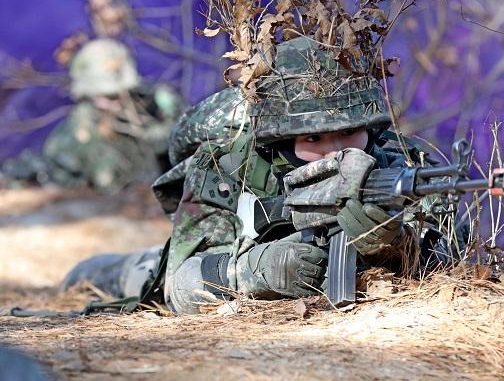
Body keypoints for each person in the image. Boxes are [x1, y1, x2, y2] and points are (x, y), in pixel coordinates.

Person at [63, 37, 466, 314]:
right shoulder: (230, 167)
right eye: (313, 137)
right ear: (280, 139)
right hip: (204, 259)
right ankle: (91, 269)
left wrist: (395, 243)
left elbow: (456, 259)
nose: (336, 151)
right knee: (122, 274)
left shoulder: (400, 166)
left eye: (348, 133)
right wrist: (254, 269)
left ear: (371, 128)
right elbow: (178, 288)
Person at [1, 38, 182, 192]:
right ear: (88, 96)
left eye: (120, 94)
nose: (114, 103)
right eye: (105, 96)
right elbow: (58, 172)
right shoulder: (81, 127)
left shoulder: (159, 105)